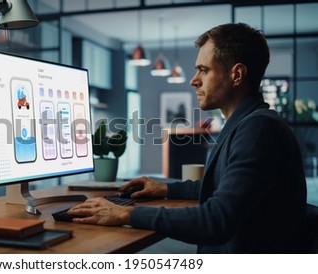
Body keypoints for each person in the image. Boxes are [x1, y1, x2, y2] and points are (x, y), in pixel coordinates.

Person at [68, 23, 307, 253]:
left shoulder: (259, 129)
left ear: (237, 74)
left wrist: (127, 214)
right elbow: (225, 186)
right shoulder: (249, 123)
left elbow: (216, 220)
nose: (194, 80)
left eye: (203, 70)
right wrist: (165, 188)